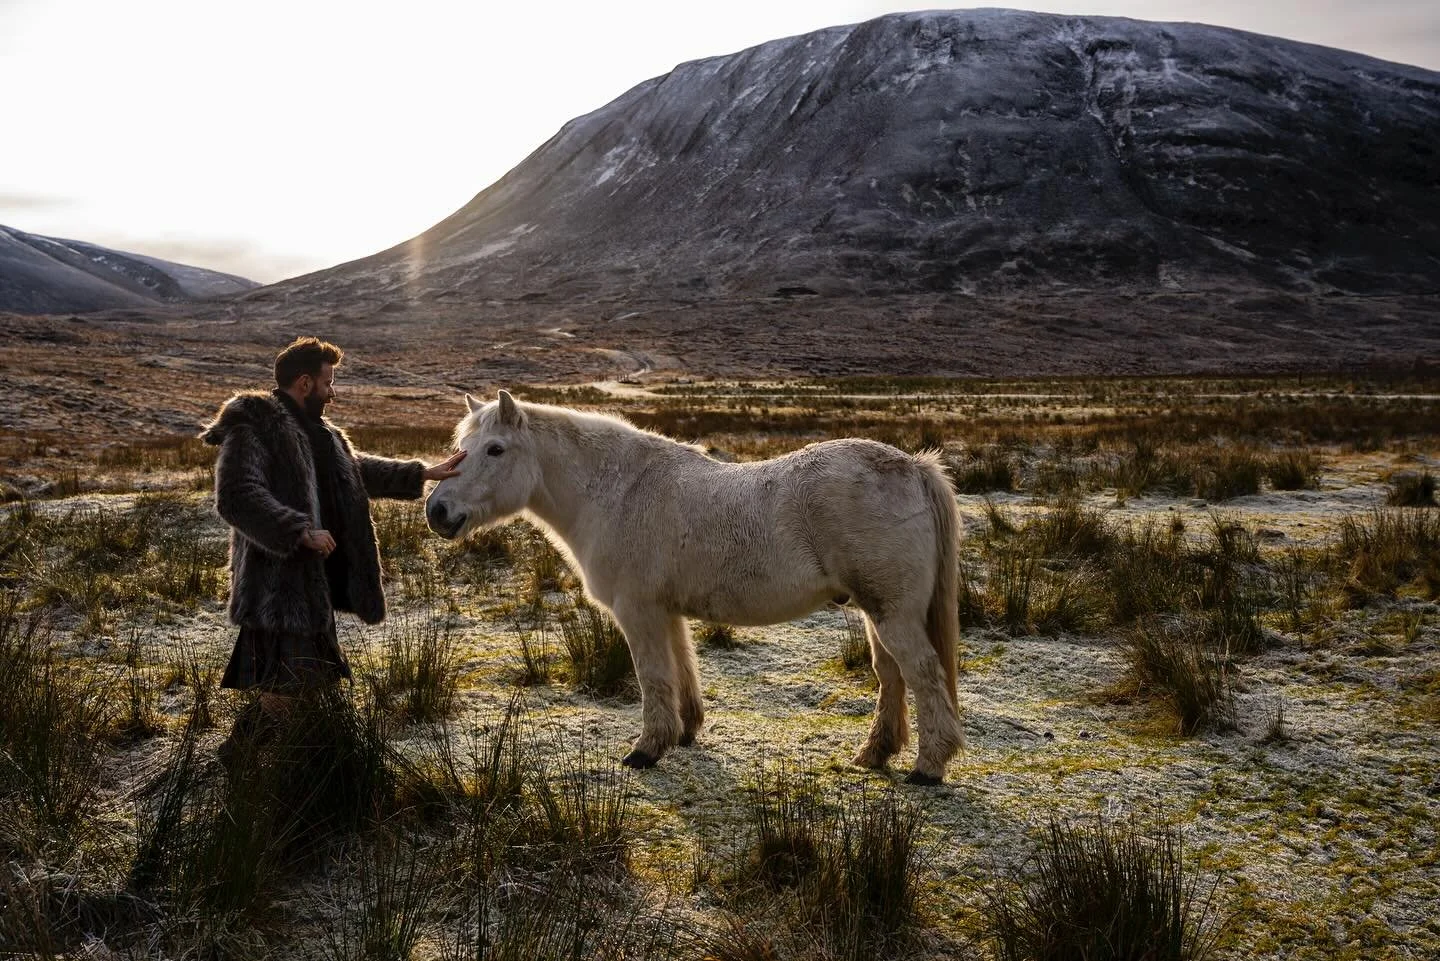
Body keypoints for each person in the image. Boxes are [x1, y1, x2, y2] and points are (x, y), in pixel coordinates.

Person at [199, 336, 465, 759]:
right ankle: (250, 769)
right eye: (328, 382)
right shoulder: (255, 428)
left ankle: (265, 766)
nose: (333, 392)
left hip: (313, 584)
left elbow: (355, 473)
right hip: (276, 587)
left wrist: (424, 473)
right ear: (305, 383)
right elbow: (236, 496)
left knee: (305, 685)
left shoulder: (324, 434)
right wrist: (298, 531)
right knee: (285, 689)